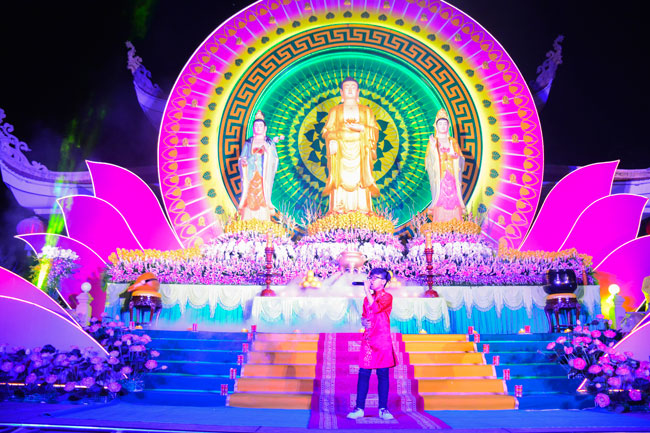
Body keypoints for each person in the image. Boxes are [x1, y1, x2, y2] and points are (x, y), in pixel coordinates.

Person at [322, 77, 380, 215]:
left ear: (358, 92)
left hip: (361, 150)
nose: (349, 90)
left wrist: (362, 128)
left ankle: (363, 210)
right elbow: (326, 131)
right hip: (341, 151)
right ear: (341, 92)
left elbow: (374, 130)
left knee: (361, 179)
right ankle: (338, 210)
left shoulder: (366, 111)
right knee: (340, 179)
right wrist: (332, 140)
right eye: (346, 87)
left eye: (353, 87)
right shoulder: (335, 111)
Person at [347, 267, 396, 421]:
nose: (371, 280)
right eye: (371, 277)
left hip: (382, 341)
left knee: (383, 374)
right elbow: (365, 315)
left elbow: (375, 308)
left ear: (383, 281)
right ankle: (359, 408)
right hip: (368, 340)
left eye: (375, 278)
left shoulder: (387, 297)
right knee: (363, 374)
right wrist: (363, 321)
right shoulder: (366, 298)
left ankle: (383, 409)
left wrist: (367, 291)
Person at [425, 108, 466, 222]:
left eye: (445, 124)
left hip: (452, 176)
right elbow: (428, 161)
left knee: (454, 199)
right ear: (436, 126)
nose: (443, 126)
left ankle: (456, 223)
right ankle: (440, 224)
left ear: (448, 126)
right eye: (440, 124)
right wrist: (433, 148)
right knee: (440, 201)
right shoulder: (433, 141)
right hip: (440, 177)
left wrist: (455, 156)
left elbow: (461, 160)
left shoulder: (453, 141)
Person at [238, 111, 280, 221]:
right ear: (253, 128)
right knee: (249, 197)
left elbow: (275, 159)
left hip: (263, 176)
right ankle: (247, 221)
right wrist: (243, 162)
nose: (258, 127)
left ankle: (263, 221)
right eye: (256, 125)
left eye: (260, 125)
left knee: (263, 197)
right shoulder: (249, 142)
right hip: (250, 174)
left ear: (265, 128)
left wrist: (268, 152)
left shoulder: (269, 142)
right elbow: (242, 157)